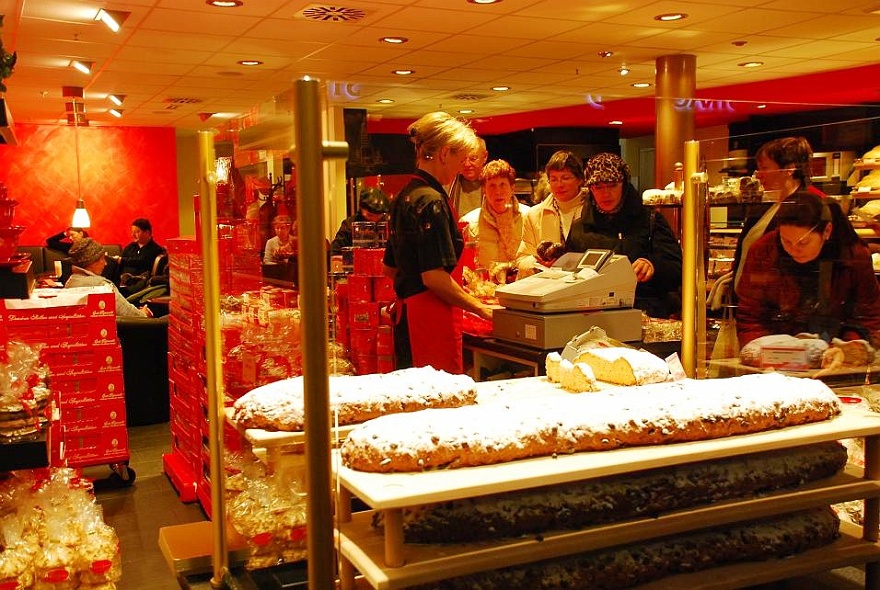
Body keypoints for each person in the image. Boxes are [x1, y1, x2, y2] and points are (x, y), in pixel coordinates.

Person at [383, 111, 494, 374]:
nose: (461, 168)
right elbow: (434, 278)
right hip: (430, 324)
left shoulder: (405, 196)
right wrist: (482, 310)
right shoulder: (432, 202)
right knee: (436, 401)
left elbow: (388, 268)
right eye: (460, 158)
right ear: (445, 154)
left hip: (407, 320)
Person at [736, 191, 880, 348]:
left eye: (803, 243)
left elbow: (869, 317)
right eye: (786, 241)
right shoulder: (763, 251)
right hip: (777, 351)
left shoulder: (853, 255)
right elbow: (750, 317)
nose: (793, 250)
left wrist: (846, 348)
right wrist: (768, 351)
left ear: (827, 231)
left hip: (836, 351)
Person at [566, 152, 683, 318]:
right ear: (590, 189)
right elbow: (568, 277)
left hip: (647, 313)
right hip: (593, 314)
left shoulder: (650, 220)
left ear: (624, 184)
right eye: (599, 187)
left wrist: (652, 265)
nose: (606, 193)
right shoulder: (580, 228)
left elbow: (677, 269)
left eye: (612, 185)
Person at [732, 136, 825, 293]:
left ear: (789, 169)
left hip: (781, 304)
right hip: (754, 301)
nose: (758, 175)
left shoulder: (811, 206)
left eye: (764, 168)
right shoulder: (766, 205)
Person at [515, 150, 587, 276]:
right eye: (554, 179)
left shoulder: (593, 209)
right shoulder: (534, 215)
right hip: (547, 287)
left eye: (565, 178)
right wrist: (538, 263)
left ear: (580, 180)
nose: (559, 185)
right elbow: (522, 259)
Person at [460, 159, 530, 271]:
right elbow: (464, 267)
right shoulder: (468, 222)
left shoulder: (529, 217)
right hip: (486, 286)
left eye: (502, 185)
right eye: (492, 186)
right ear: (484, 190)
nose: (498, 192)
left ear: (512, 188)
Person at [66, 238, 151, 317]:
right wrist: (144, 313)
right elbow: (129, 314)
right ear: (92, 262)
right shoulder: (102, 286)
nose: (106, 263)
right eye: (103, 259)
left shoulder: (70, 283)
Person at [109, 218, 165, 293]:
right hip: (123, 283)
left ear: (147, 232)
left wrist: (121, 260)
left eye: (137, 232)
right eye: (132, 232)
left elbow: (142, 261)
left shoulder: (156, 249)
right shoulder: (130, 247)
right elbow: (119, 266)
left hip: (141, 286)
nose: (133, 235)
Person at [330, 188, 390, 255]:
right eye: (370, 215)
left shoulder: (387, 225)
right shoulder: (350, 224)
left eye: (379, 216)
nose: (374, 219)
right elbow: (336, 251)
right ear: (361, 208)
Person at [446, 136, 488, 218]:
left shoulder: (495, 184)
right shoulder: (447, 183)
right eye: (462, 159)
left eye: (473, 159)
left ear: (485, 156)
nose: (467, 164)